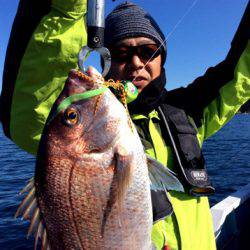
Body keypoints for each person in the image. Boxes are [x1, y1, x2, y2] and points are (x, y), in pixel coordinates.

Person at [1, 0, 249, 249]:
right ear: (105, 59)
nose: (136, 63)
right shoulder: (63, 136)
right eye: (121, 53)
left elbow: (240, 74)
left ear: (161, 57)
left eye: (147, 50)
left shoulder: (187, 112)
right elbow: (33, 100)